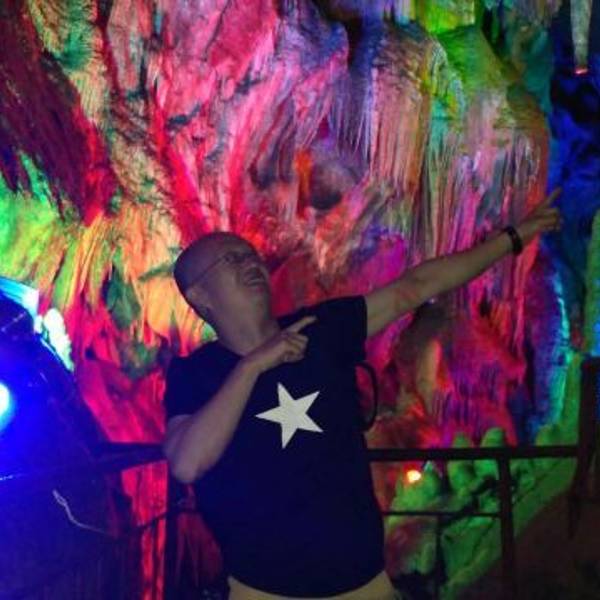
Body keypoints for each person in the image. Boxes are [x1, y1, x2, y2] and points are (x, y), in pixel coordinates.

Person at [163, 190, 561, 599]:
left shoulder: (321, 329)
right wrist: (251, 367)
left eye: (250, 255)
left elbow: (414, 288)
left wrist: (512, 238)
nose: (249, 263)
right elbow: (187, 463)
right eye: (230, 259)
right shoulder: (195, 375)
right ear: (200, 296)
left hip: (364, 582)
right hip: (264, 590)